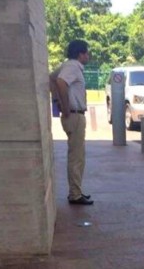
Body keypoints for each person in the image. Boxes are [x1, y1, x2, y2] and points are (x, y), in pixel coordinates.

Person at [53, 39, 93, 205]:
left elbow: (51, 79)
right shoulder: (73, 67)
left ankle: (76, 191)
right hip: (75, 115)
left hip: (74, 115)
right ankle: (75, 194)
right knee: (77, 157)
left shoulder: (66, 66)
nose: (88, 56)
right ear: (80, 54)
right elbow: (60, 82)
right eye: (86, 52)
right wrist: (65, 105)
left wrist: (57, 102)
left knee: (75, 155)